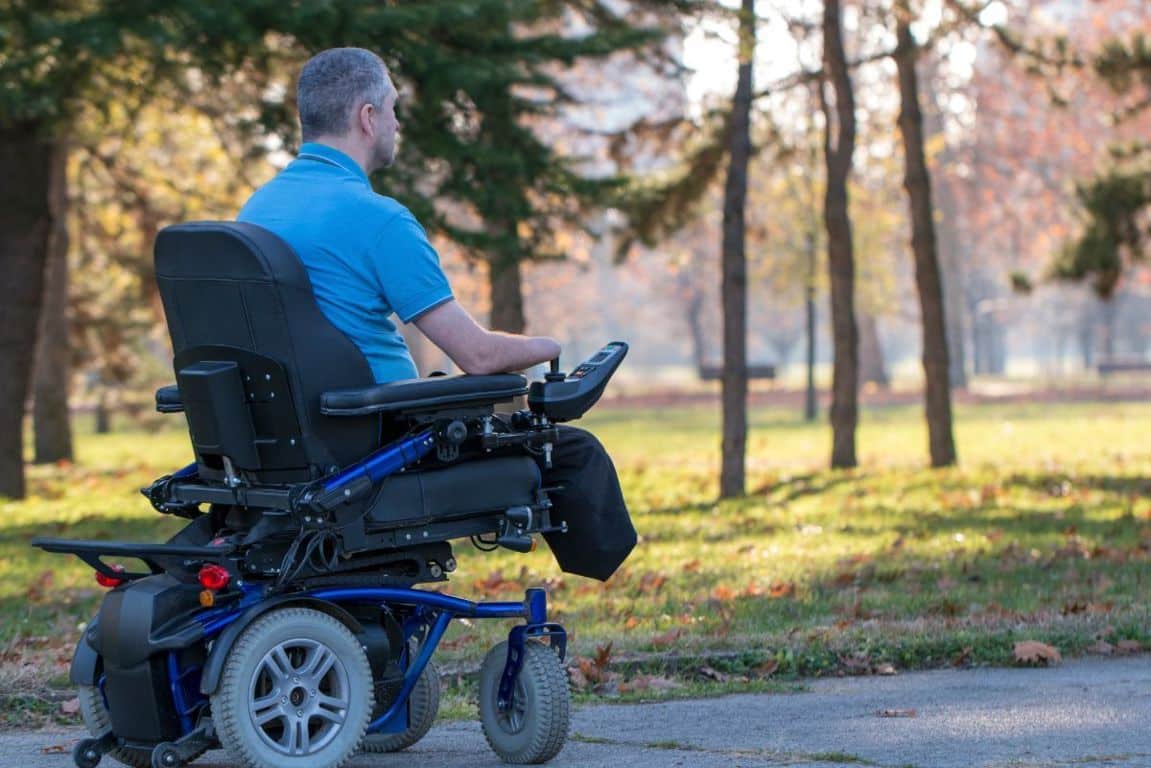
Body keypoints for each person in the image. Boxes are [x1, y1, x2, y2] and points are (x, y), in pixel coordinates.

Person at [237, 47, 635, 581]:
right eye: (393, 109)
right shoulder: (378, 220)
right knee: (572, 453)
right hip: (378, 441)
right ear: (367, 116)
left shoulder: (256, 212)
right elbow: (479, 355)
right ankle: (597, 580)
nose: (398, 123)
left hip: (285, 437)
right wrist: (550, 347)